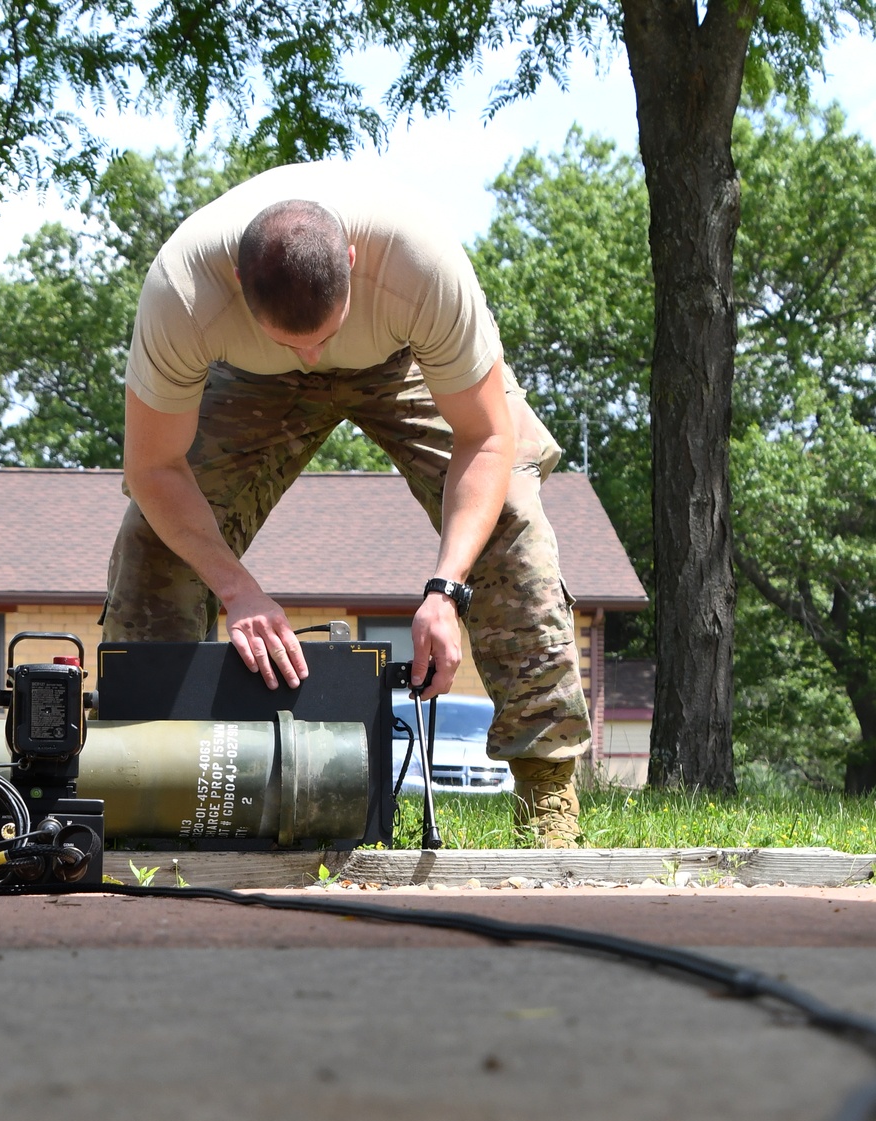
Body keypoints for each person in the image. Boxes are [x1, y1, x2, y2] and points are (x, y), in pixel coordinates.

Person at [102, 161, 591, 846]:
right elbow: (153, 468)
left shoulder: (421, 263)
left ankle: (547, 799)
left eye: (324, 335)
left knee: (510, 522)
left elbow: (484, 437)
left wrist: (446, 590)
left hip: (402, 360)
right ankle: (142, 784)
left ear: (355, 264)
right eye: (291, 340)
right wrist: (237, 590)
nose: (311, 354)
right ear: (239, 285)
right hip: (251, 380)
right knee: (153, 548)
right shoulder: (183, 290)